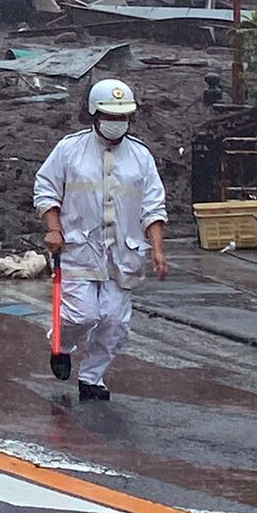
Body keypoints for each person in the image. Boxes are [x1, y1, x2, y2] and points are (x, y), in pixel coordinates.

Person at [33, 78, 168, 402]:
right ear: (95, 114)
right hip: (79, 249)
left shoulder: (141, 157)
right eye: (110, 116)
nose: (116, 123)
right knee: (82, 315)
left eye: (122, 117)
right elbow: (46, 188)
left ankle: (92, 378)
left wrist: (158, 250)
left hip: (123, 254)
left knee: (114, 323)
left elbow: (153, 205)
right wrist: (54, 228)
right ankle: (62, 345)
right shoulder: (69, 150)